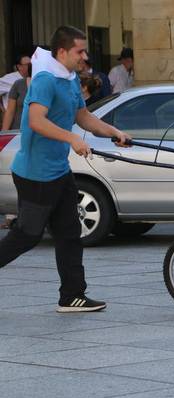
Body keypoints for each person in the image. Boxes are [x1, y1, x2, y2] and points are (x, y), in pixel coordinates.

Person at [0, 26, 131, 313]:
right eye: (79, 51)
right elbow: (36, 120)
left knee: (70, 232)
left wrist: (113, 132)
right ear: (61, 52)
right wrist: (71, 138)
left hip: (58, 171)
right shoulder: (46, 80)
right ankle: (71, 293)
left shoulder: (70, 78)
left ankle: (72, 296)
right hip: (36, 173)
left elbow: (82, 117)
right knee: (27, 235)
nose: (85, 56)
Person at [1, 63, 31, 130]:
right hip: (18, 130)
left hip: (42, 132)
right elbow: (10, 111)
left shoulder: (49, 84)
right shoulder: (18, 83)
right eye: (27, 64)